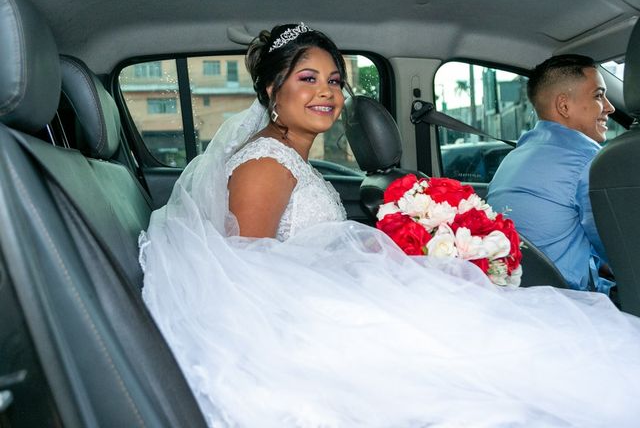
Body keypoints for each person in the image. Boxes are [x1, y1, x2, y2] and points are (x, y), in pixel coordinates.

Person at [140, 26, 640, 428]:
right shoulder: (266, 163)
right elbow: (243, 277)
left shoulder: (291, 159)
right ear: (273, 90)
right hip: (297, 328)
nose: (326, 92)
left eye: (334, 81)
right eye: (307, 78)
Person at [488, 55, 615, 295]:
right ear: (564, 106)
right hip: (567, 300)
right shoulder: (587, 161)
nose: (610, 106)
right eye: (599, 95)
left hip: (513, 291)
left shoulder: (516, 156)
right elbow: (619, 248)